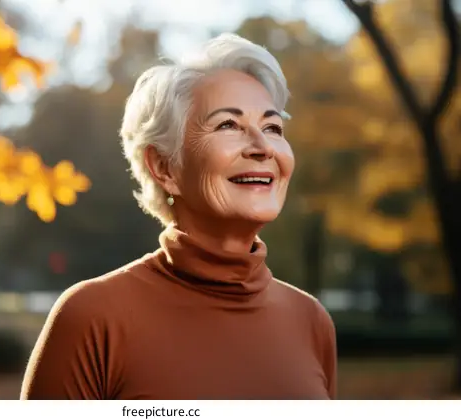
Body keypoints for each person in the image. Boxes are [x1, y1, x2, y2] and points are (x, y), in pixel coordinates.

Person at [20, 33, 337, 400]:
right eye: (228, 125)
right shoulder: (92, 319)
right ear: (164, 166)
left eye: (272, 128)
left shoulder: (311, 322)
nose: (263, 147)